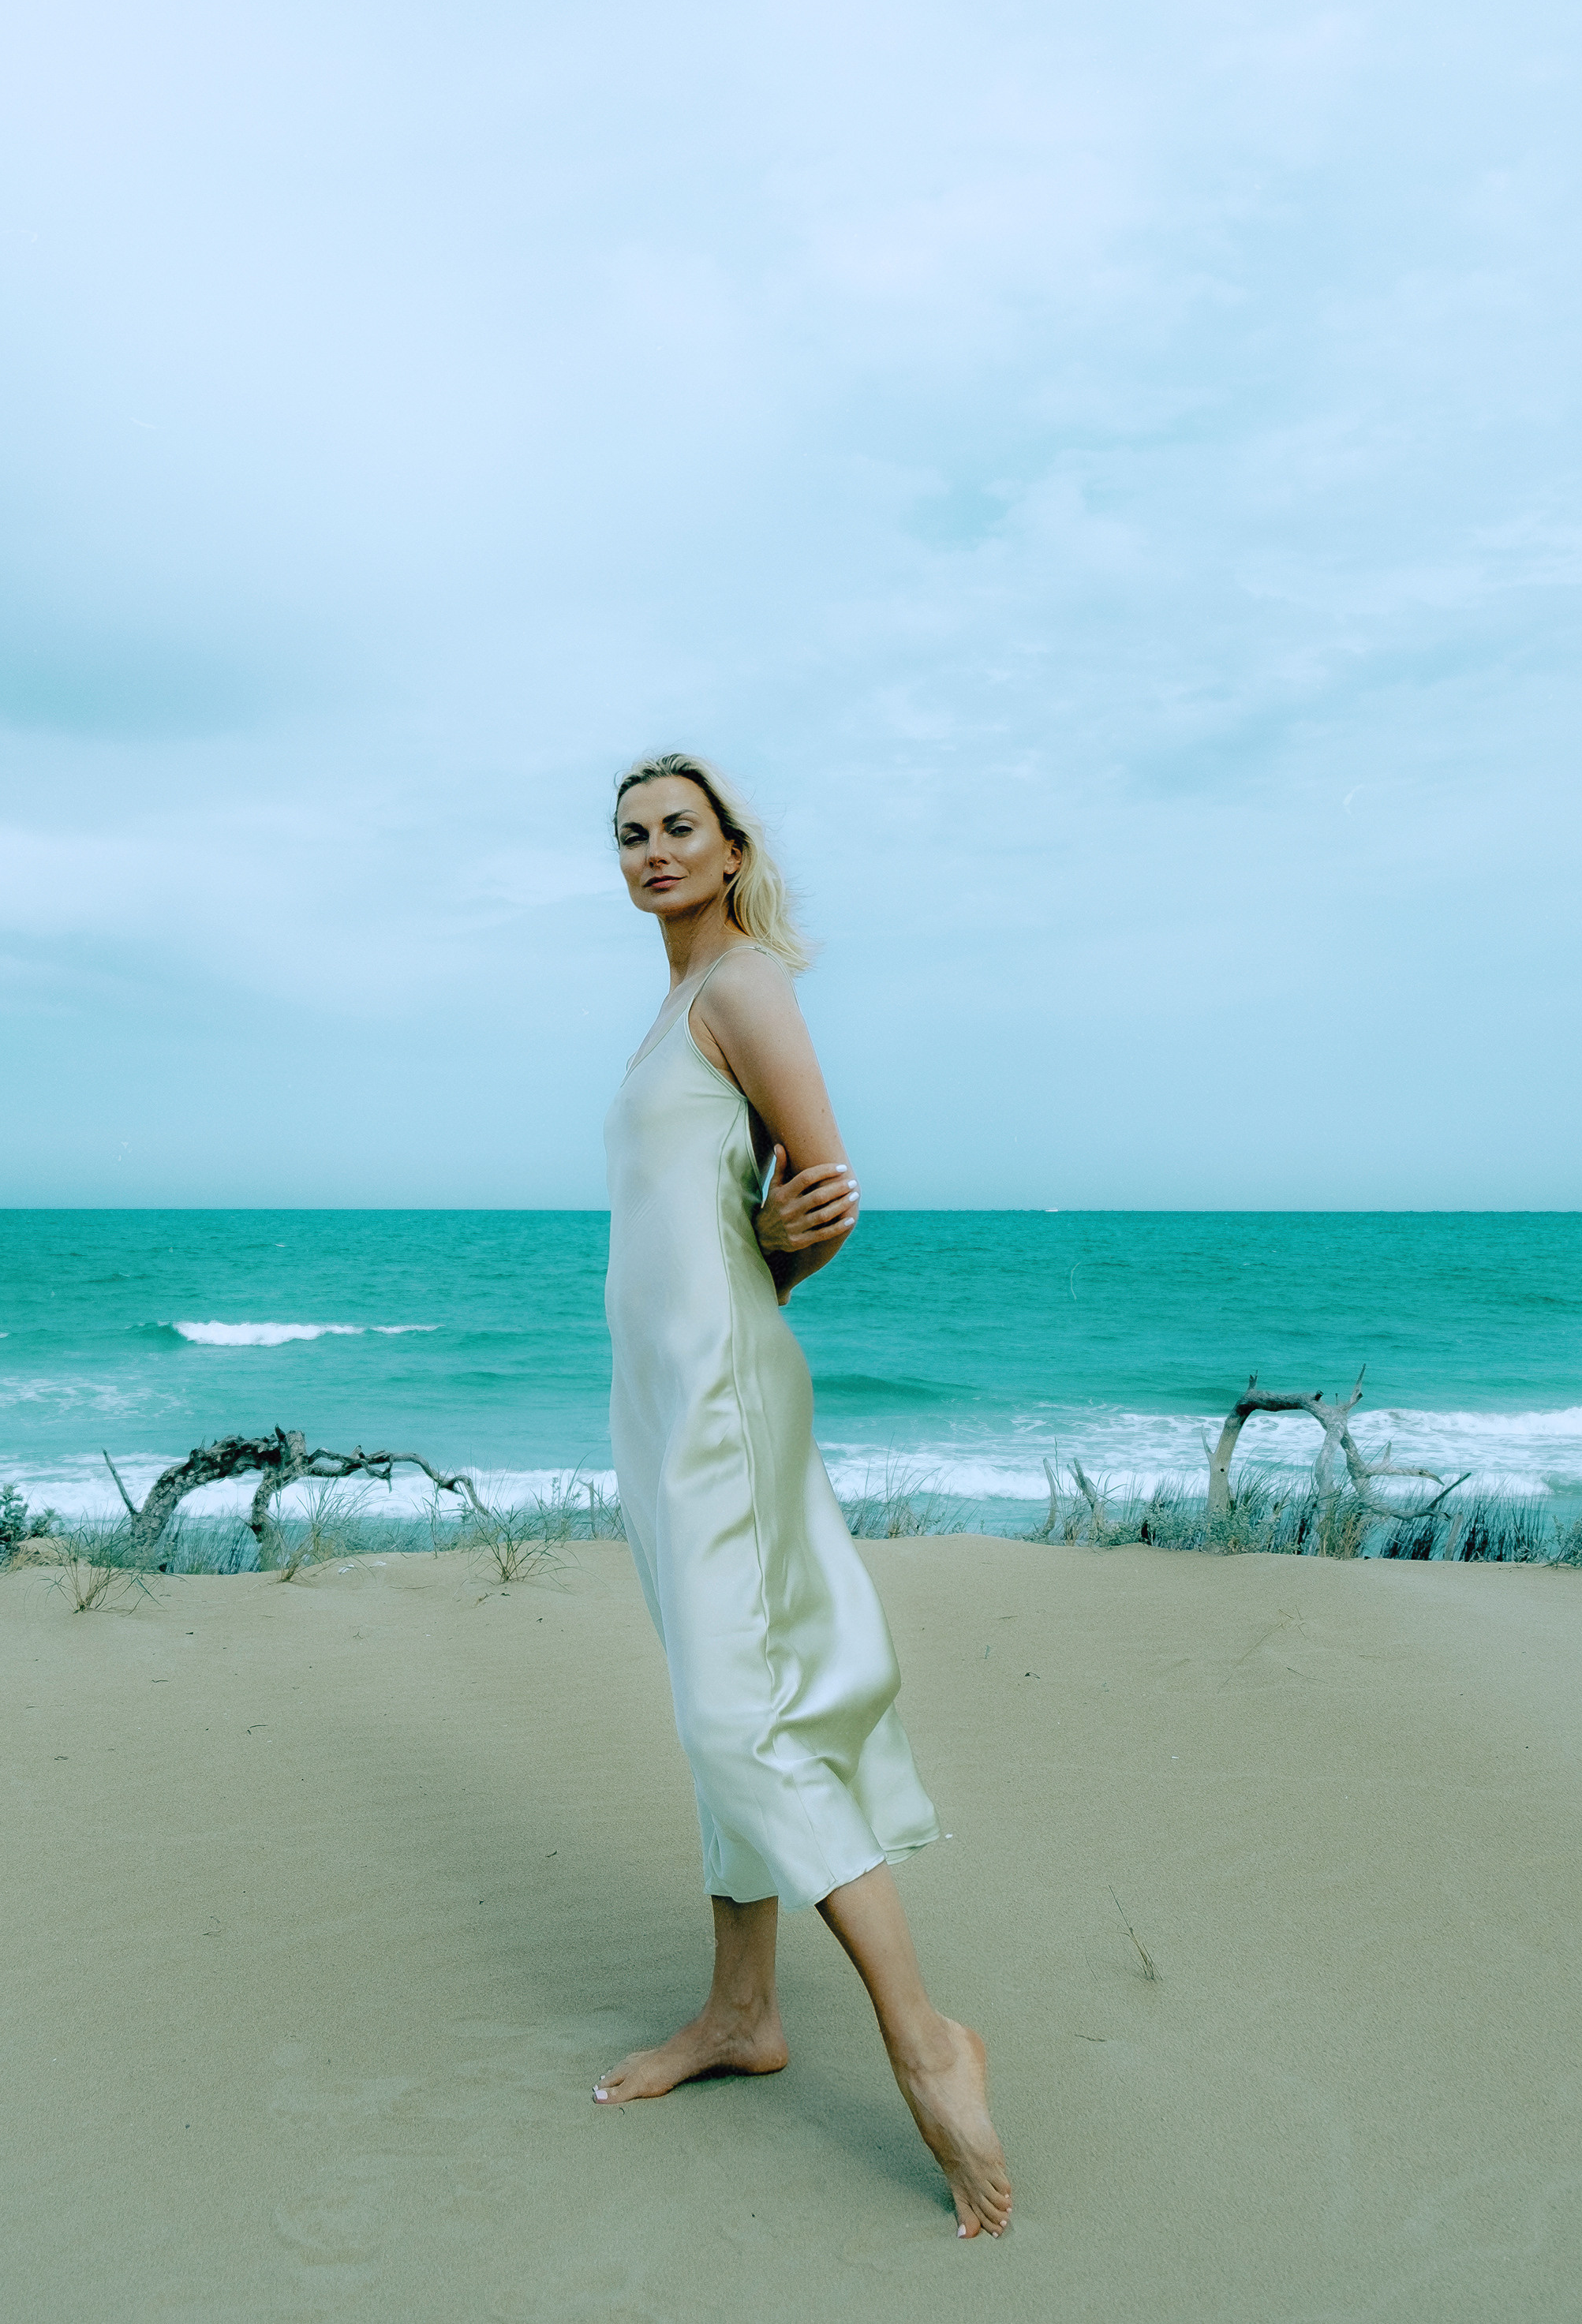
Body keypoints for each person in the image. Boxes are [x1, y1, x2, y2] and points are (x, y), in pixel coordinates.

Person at [594, 750, 1012, 2240]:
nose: (651, 851)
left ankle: (922, 2037)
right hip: (656, 1406)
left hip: (720, 1394)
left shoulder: (745, 987)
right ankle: (740, 2012)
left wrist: (773, 1251)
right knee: (714, 1694)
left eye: (676, 830)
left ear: (728, 845)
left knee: (738, 1712)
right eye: (630, 834)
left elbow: (823, 1190)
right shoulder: (672, 1003)